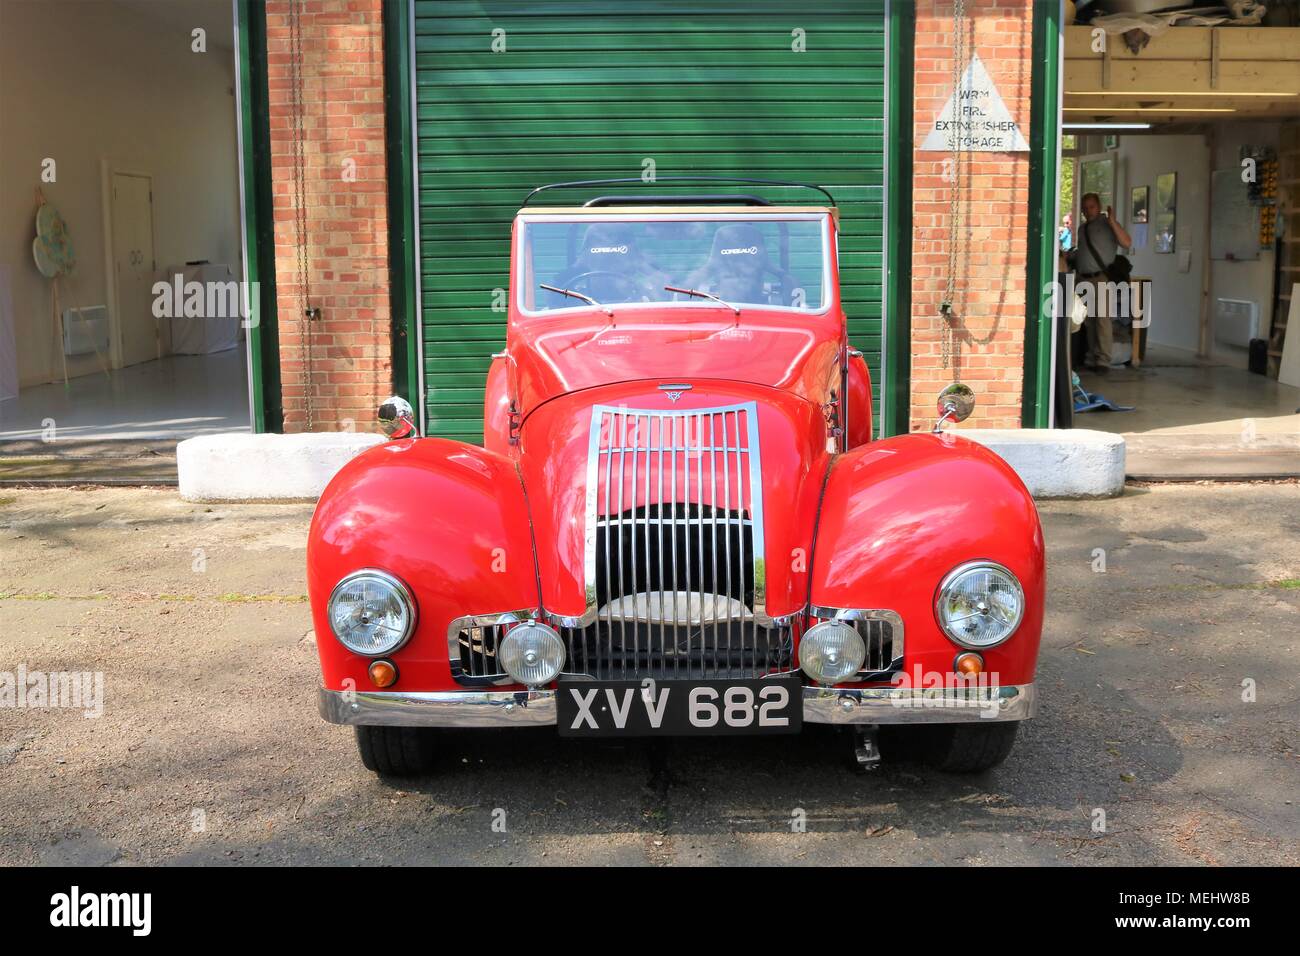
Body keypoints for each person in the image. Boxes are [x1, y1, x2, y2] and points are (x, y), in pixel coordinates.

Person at [1074, 192, 1133, 374]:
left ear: (1098, 207)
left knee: (1102, 319)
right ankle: (1092, 357)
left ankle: (1103, 360)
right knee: (1089, 321)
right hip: (1083, 277)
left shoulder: (1108, 224)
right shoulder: (1082, 229)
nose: (1088, 211)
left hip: (1101, 277)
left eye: (1091, 207)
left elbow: (1126, 242)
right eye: (1084, 208)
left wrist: (1113, 222)